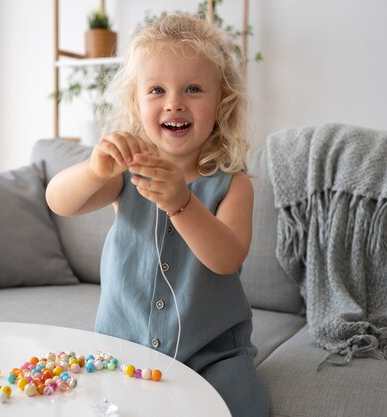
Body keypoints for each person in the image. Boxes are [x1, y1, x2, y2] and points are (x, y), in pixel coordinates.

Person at [46, 13, 269, 417]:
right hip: (123, 349)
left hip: (214, 355)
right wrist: (94, 169)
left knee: (246, 406)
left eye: (194, 89)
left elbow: (227, 257)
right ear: (135, 102)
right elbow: (60, 201)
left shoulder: (233, 184)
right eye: (156, 90)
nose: (174, 102)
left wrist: (181, 204)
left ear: (222, 102)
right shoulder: (124, 172)